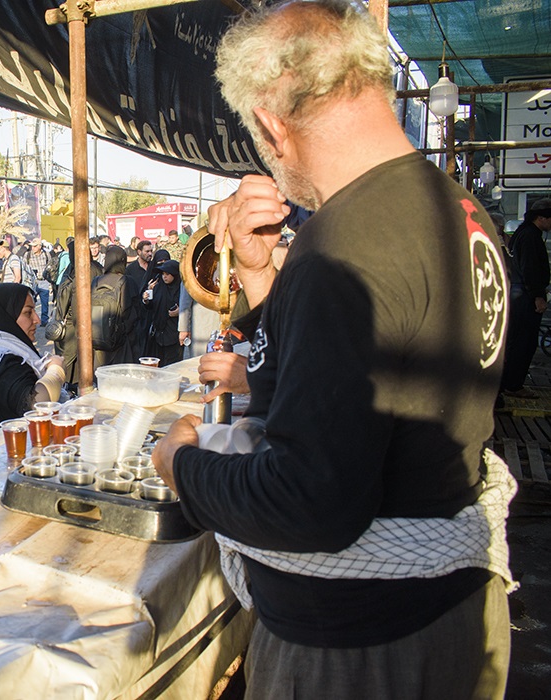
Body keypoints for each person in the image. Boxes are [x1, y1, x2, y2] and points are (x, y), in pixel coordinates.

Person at [151, 3, 511, 697]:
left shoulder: (346, 245)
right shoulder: (455, 210)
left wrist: (182, 465)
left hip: (362, 649)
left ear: (270, 123)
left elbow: (308, 503)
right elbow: (340, 386)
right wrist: (259, 279)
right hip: (450, 616)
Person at [0, 283, 65, 440]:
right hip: (3, 456)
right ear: (5, 317)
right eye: (28, 312)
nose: (36, 319)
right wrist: (55, 370)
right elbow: (37, 405)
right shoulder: (4, 361)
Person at [499, 197, 551, 399]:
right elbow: (529, 269)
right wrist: (538, 295)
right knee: (523, 342)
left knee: (518, 341)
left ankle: (510, 382)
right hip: (524, 296)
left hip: (519, 294)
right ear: (541, 218)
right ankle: (513, 384)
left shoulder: (525, 233)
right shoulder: (530, 236)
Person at [51, 238, 103, 390]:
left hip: (79, 322)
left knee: (71, 358)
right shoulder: (74, 269)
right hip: (71, 323)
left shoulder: (89, 270)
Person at [91, 245, 142, 367]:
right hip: (122, 342)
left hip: (99, 339)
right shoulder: (127, 281)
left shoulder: (96, 281)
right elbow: (136, 312)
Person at [142, 260, 183, 366]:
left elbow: (188, 308)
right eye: (163, 274)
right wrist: (146, 300)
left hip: (174, 334)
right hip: (159, 335)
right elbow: (152, 307)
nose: (165, 277)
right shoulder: (159, 287)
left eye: (168, 274)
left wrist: (181, 311)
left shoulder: (181, 289)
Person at [25, 237, 52, 325]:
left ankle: (44, 321)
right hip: (33, 282)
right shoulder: (28, 255)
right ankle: (31, 320)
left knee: (45, 303)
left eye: (35, 246)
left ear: (40, 246)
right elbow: (25, 267)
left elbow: (50, 266)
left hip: (44, 281)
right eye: (32, 246)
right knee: (31, 302)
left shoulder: (46, 254)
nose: (33, 248)